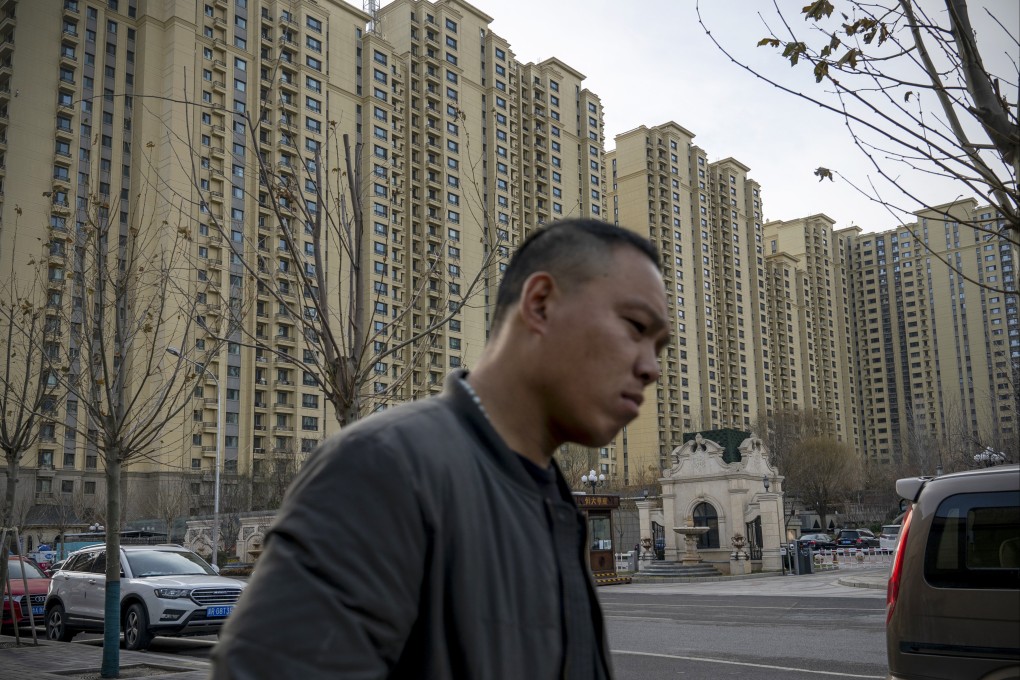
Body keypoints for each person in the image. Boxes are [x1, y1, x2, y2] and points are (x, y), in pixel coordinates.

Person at [212, 218, 670, 679]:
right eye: (635, 326)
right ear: (541, 304)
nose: (651, 368)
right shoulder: (386, 467)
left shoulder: (554, 504)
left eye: (661, 346)